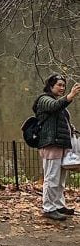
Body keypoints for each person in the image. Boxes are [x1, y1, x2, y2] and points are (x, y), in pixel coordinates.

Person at [34, 74, 80, 221]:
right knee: (51, 178)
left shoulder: (58, 103)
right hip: (51, 144)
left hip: (61, 145)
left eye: (63, 85)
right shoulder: (44, 99)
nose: (62, 88)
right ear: (50, 86)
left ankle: (59, 205)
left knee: (60, 180)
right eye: (59, 85)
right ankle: (48, 208)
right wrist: (70, 95)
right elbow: (54, 106)